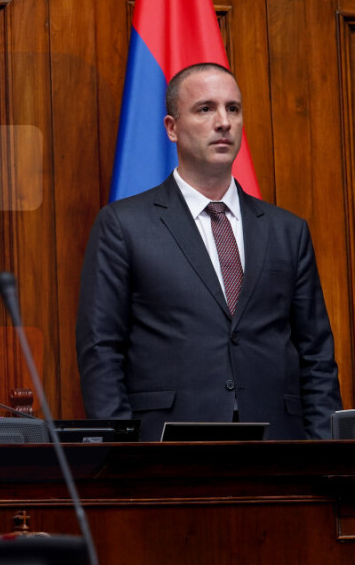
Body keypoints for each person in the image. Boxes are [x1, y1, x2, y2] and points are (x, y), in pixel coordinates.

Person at [76, 62, 342, 441]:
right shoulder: (123, 225)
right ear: (172, 128)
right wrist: (124, 453)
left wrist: (323, 452)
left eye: (233, 108)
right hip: (164, 446)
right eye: (205, 109)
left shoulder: (288, 230)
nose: (223, 122)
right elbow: (100, 350)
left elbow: (317, 355)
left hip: (279, 444)